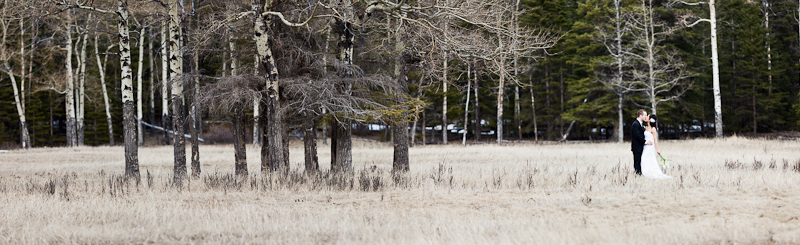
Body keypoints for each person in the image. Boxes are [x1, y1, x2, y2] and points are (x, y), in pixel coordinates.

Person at [641, 114, 672, 179]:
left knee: (648, 159)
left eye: (647, 117)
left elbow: (655, 140)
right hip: (645, 146)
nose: (646, 117)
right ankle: (645, 172)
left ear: (650, 120)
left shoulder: (653, 129)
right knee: (644, 159)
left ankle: (649, 173)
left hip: (650, 147)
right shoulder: (645, 127)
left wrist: (657, 150)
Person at [630, 109, 652, 175]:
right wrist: (645, 141)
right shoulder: (635, 124)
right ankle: (638, 174)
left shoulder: (641, 124)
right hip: (637, 147)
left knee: (641, 161)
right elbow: (638, 136)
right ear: (640, 115)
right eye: (645, 115)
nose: (646, 116)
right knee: (637, 161)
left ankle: (641, 173)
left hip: (641, 146)